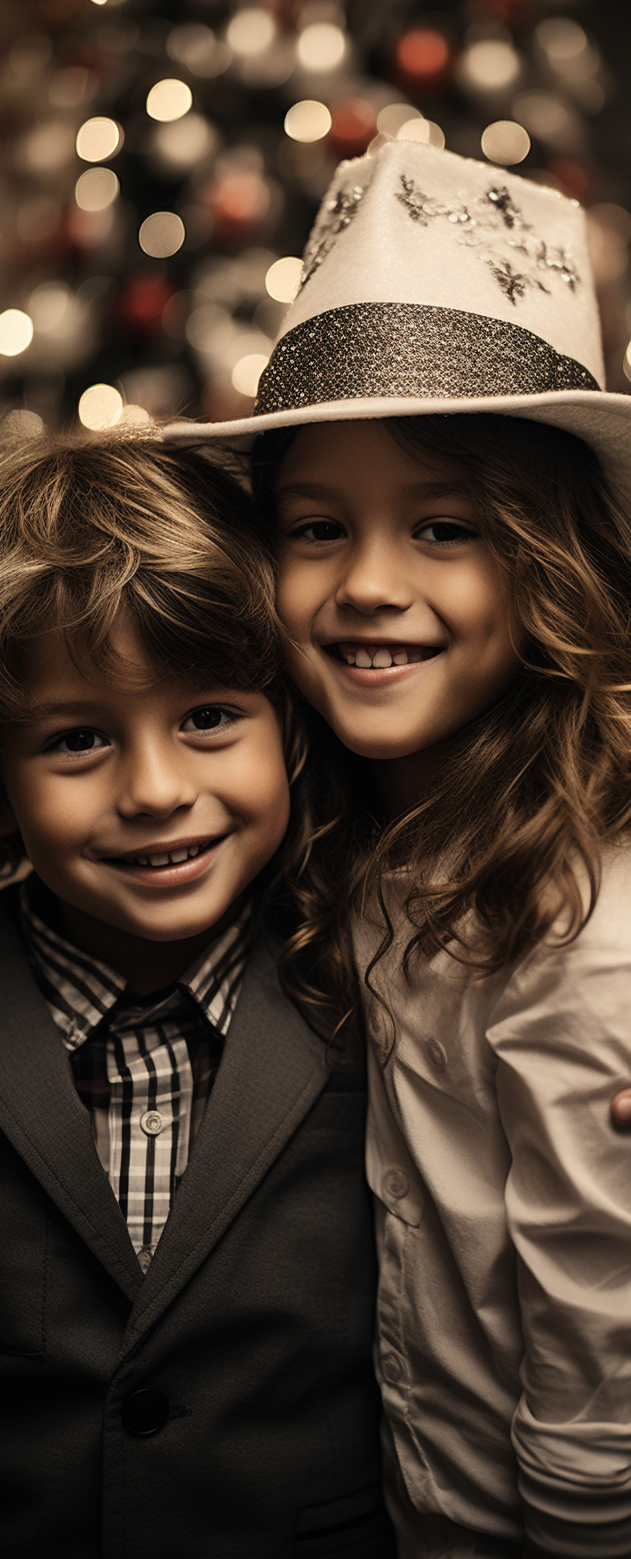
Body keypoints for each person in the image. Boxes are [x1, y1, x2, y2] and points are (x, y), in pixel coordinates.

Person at [170, 138, 631, 1556]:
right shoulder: (353, 825)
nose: (368, 584)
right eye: (315, 528)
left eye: (444, 526)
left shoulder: (580, 935)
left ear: (553, 570)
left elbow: (606, 1362)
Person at [0, 426, 395, 1558]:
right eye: (77, 738)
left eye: (210, 717)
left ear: (288, 724)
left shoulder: (382, 981)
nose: (158, 790)